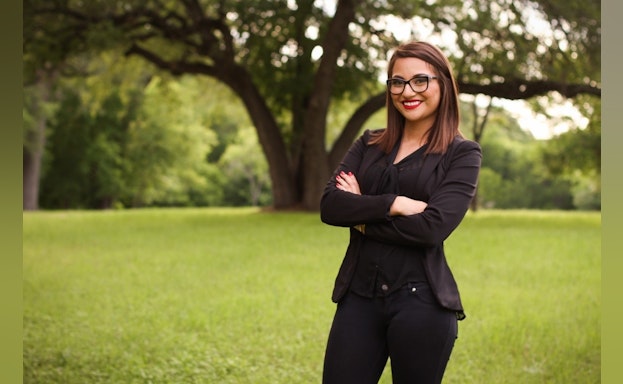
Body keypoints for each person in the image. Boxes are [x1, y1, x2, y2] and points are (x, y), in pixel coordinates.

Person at [319, 41, 482, 384]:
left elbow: (431, 229)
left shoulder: (462, 153)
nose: (407, 91)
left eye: (420, 80)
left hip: (422, 303)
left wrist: (361, 217)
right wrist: (393, 203)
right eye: (397, 81)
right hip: (358, 298)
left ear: (443, 85)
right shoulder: (368, 144)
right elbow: (331, 206)